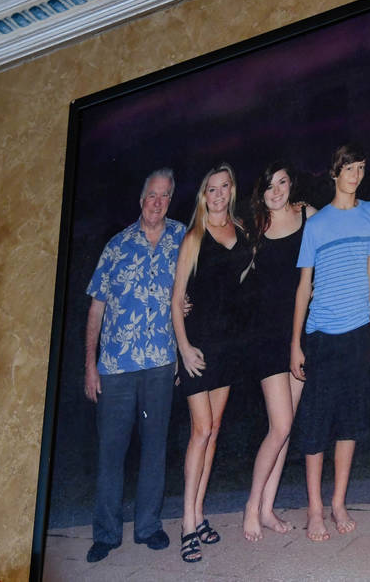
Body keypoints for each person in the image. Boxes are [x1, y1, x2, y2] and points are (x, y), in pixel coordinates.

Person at [83, 169, 184, 563]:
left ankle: (148, 527)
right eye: (151, 195)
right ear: (141, 199)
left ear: (171, 200)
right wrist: (90, 366)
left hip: (160, 362)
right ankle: (106, 534)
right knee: (111, 452)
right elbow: (97, 306)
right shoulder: (117, 246)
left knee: (155, 449)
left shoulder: (182, 238)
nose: (157, 203)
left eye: (164, 196)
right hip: (115, 367)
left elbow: (195, 288)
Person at [290, 144, 370, 542]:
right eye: (349, 167)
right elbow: (303, 287)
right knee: (315, 425)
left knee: (350, 423)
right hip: (322, 335)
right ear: (335, 172)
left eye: (361, 167)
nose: (356, 174)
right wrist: (295, 343)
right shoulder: (316, 224)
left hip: (358, 331)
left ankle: (338, 502)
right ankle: (314, 509)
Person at [171, 163, 253, 563]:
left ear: (231, 190)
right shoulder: (193, 237)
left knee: (215, 430)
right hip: (198, 346)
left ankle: (200, 514)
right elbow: (176, 299)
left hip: (229, 346)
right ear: (203, 194)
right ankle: (187, 524)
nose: (218, 194)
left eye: (224, 187)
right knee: (200, 430)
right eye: (212, 189)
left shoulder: (241, 234)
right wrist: (183, 348)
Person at [242, 162, 317, 542]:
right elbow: (223, 267)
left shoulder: (308, 214)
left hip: (300, 334)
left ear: (292, 184)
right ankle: (251, 508)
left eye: (282, 182)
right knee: (281, 425)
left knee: (283, 430)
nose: (276, 190)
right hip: (267, 336)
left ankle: (268, 508)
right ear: (261, 190)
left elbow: (333, 249)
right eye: (269, 184)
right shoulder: (254, 226)